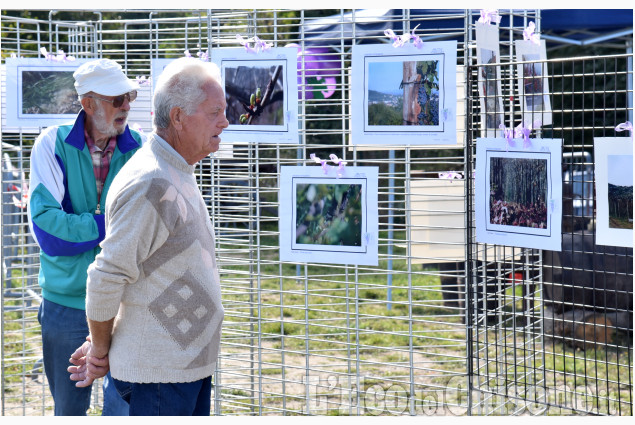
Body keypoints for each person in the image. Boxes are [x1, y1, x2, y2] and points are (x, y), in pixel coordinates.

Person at [67, 57, 227, 416]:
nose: (225, 121)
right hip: (156, 380)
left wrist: (99, 343)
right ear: (178, 118)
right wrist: (100, 350)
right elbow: (105, 277)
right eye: (215, 112)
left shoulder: (174, 168)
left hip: (177, 372)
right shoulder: (149, 181)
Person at [27, 58, 145, 415]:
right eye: (117, 99)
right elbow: (49, 232)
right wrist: (109, 225)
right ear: (88, 103)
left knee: (124, 410)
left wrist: (85, 224)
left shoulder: (140, 147)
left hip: (125, 305)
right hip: (66, 305)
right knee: (68, 412)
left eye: (130, 96)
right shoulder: (51, 144)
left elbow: (145, 224)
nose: (127, 106)